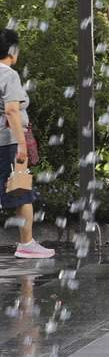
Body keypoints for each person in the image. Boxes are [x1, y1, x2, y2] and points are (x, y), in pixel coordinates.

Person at [0, 30, 50, 260]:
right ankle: (26, 243)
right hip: (7, 141)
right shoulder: (9, 75)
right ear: (12, 52)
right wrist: (22, 145)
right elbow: (12, 110)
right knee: (21, 191)